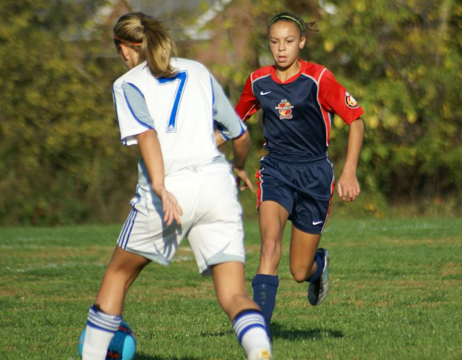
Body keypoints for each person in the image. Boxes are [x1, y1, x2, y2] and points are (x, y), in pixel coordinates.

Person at [80, 12, 272, 360]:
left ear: (125, 49)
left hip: (170, 191)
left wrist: (159, 186)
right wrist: (239, 167)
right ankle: (260, 351)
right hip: (217, 185)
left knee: (117, 276)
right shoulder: (197, 70)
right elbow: (239, 133)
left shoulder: (127, 83)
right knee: (234, 295)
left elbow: (148, 135)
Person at [234, 12, 365, 333]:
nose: (281, 49)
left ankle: (319, 266)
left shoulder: (319, 78)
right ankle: (257, 336)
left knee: (299, 270)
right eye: (274, 42)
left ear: (302, 43)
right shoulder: (257, 81)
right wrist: (230, 163)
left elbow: (356, 120)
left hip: (315, 176)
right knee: (269, 246)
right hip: (275, 170)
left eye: (289, 42)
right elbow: (233, 124)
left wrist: (349, 171)